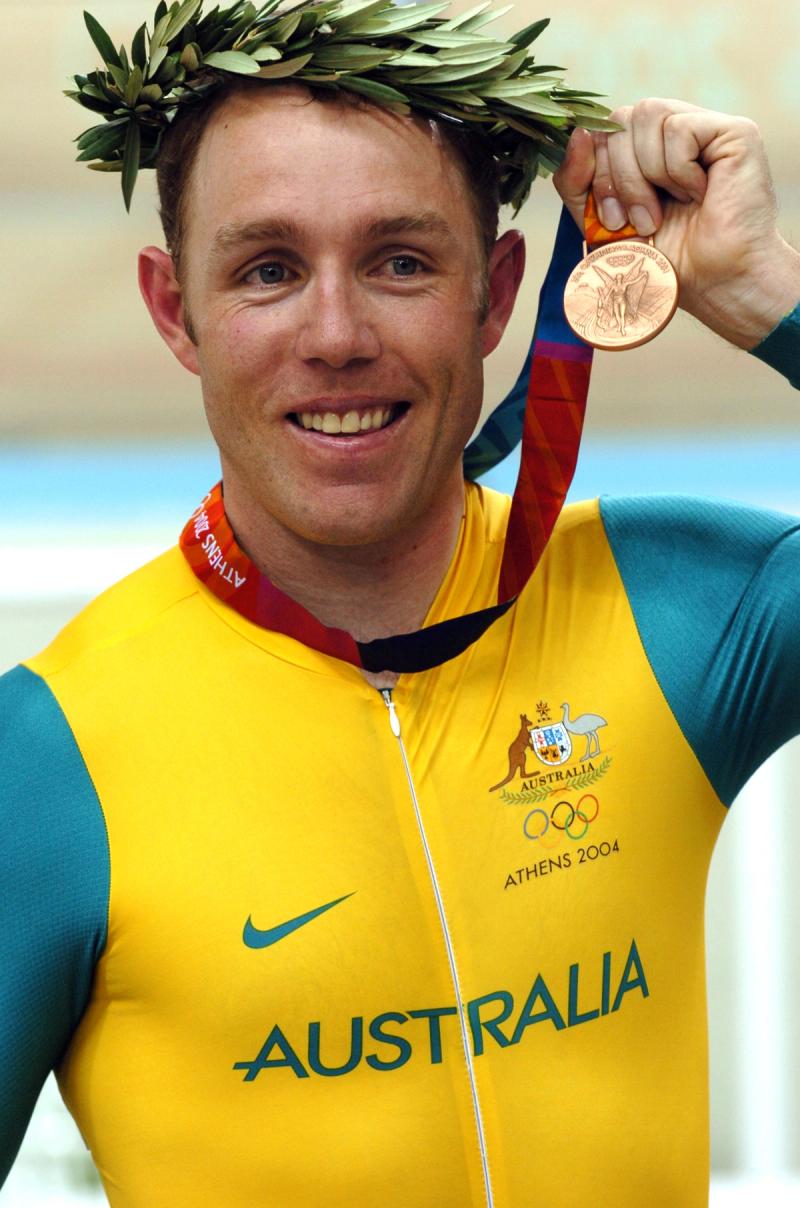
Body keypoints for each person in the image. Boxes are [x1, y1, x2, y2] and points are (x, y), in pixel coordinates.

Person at [1, 2, 799, 1204]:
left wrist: (765, 292)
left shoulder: (676, 612)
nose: (335, 334)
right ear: (177, 310)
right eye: (268, 269)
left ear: (497, 297)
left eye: (400, 262)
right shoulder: (50, 761)